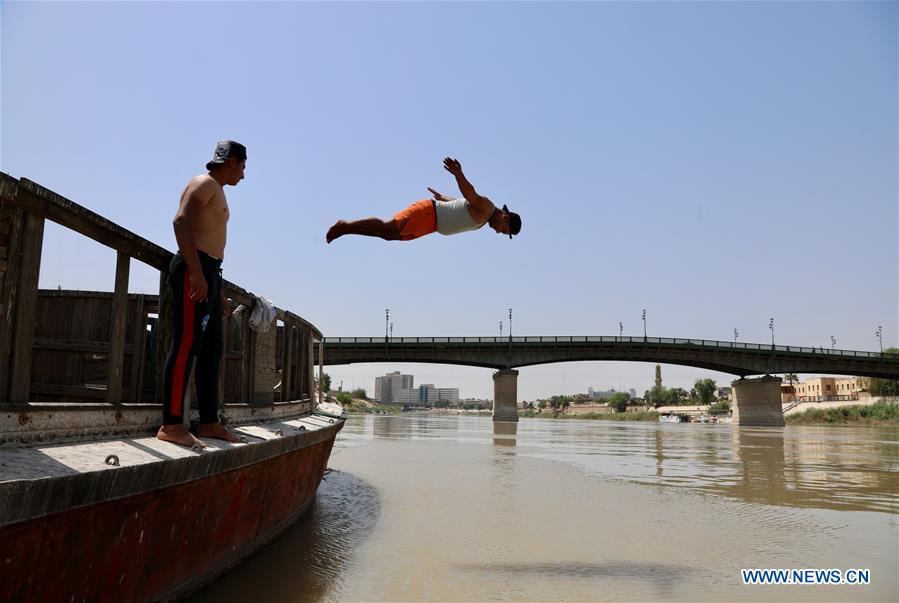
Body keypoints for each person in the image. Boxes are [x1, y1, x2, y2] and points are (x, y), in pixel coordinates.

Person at [157, 141, 246, 448]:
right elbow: (181, 220)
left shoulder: (216, 189)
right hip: (194, 267)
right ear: (232, 161)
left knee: (212, 348)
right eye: (243, 167)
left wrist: (216, 287)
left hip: (210, 271)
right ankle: (171, 425)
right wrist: (195, 271)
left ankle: (209, 421)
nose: (243, 176)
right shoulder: (204, 183)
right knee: (186, 344)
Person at [326, 157, 521, 243]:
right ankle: (345, 226)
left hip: (429, 226)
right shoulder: (487, 207)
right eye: (503, 230)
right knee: (389, 227)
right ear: (504, 217)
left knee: (388, 235)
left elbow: (461, 204)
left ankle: (347, 229)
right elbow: (470, 193)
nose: (498, 232)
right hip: (428, 214)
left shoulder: (484, 217)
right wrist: (458, 174)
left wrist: (443, 197)